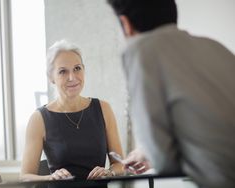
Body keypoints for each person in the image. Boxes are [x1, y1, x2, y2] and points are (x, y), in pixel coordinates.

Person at [107, 0, 235, 187]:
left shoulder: (141, 50)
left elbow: (165, 163)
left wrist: (152, 153)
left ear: (125, 24)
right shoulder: (214, 47)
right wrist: (146, 152)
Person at [20, 40, 124, 181]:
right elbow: (25, 177)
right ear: (51, 77)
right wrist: (51, 177)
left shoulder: (103, 109)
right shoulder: (39, 119)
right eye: (63, 71)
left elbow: (120, 164)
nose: (72, 77)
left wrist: (109, 172)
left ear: (84, 69)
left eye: (77, 68)